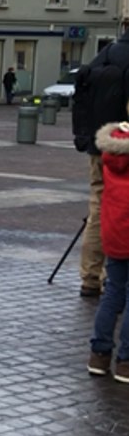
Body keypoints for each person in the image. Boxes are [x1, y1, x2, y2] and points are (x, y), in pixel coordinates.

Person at [72, 33, 129, 298]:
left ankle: (91, 276)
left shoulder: (102, 58)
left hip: (99, 144)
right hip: (124, 145)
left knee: (98, 209)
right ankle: (116, 275)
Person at [89, 117, 129, 381]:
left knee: (113, 291)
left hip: (114, 229)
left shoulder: (111, 148)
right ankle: (126, 361)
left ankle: (99, 356)